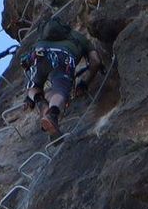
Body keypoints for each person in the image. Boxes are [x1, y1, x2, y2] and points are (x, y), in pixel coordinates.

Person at [22, 8, 104, 137]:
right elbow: (95, 61)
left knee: (34, 86)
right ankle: (52, 115)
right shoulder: (78, 37)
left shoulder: (40, 39)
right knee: (60, 90)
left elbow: (27, 63)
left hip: (40, 54)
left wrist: (29, 99)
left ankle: (40, 102)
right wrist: (84, 83)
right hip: (64, 57)